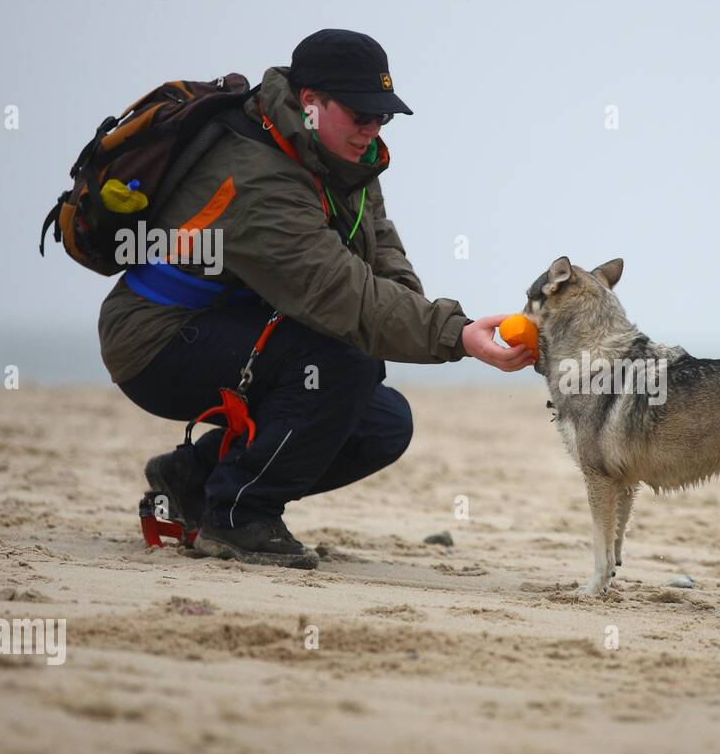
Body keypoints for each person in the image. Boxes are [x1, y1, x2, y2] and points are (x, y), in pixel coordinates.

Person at [98, 29, 532, 569]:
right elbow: (337, 292)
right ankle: (237, 518)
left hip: (239, 323)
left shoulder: (341, 155)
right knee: (342, 359)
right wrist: (453, 334)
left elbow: (378, 244)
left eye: (382, 118)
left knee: (382, 423)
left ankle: (193, 479)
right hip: (157, 338)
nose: (372, 130)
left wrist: (407, 319)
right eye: (359, 115)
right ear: (310, 103)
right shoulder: (257, 177)